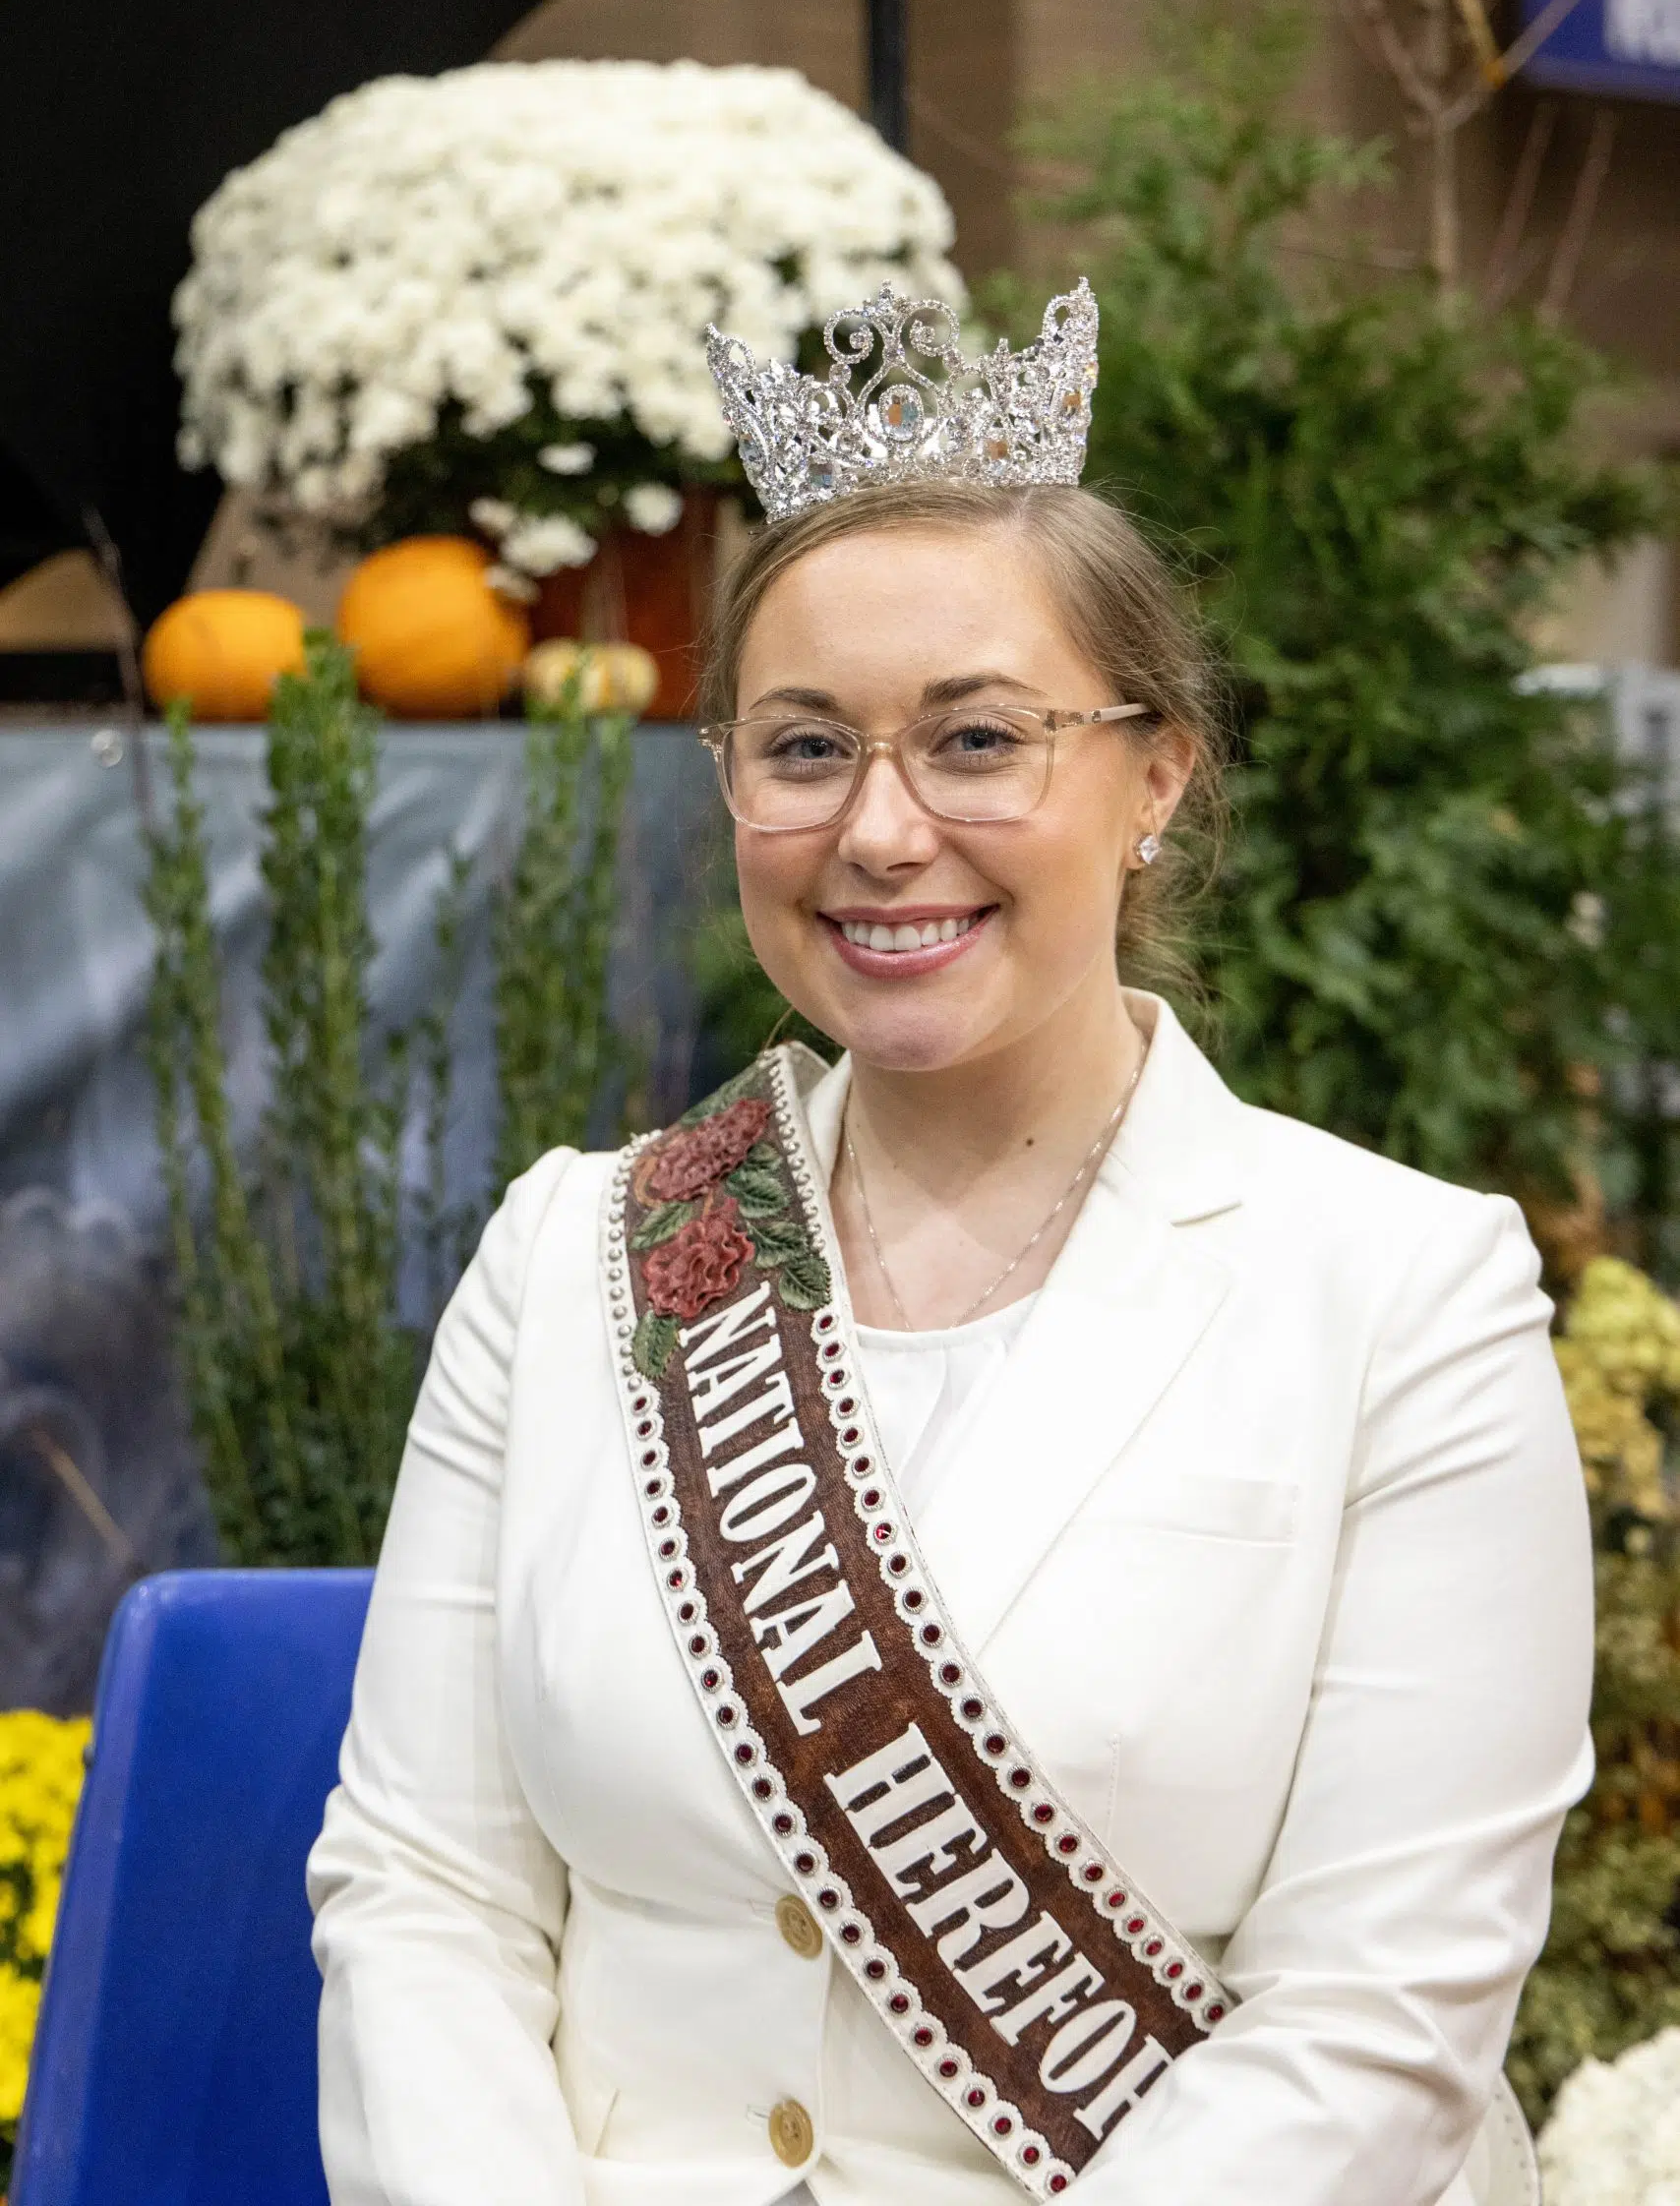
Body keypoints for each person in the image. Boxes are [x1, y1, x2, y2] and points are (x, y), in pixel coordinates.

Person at [308, 280, 1593, 2206]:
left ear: (1154, 774)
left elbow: (1376, 2022)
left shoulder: (1402, 1297)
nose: (882, 831)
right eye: (804, 748)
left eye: (978, 739)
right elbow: (427, 1891)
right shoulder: (570, 1256)